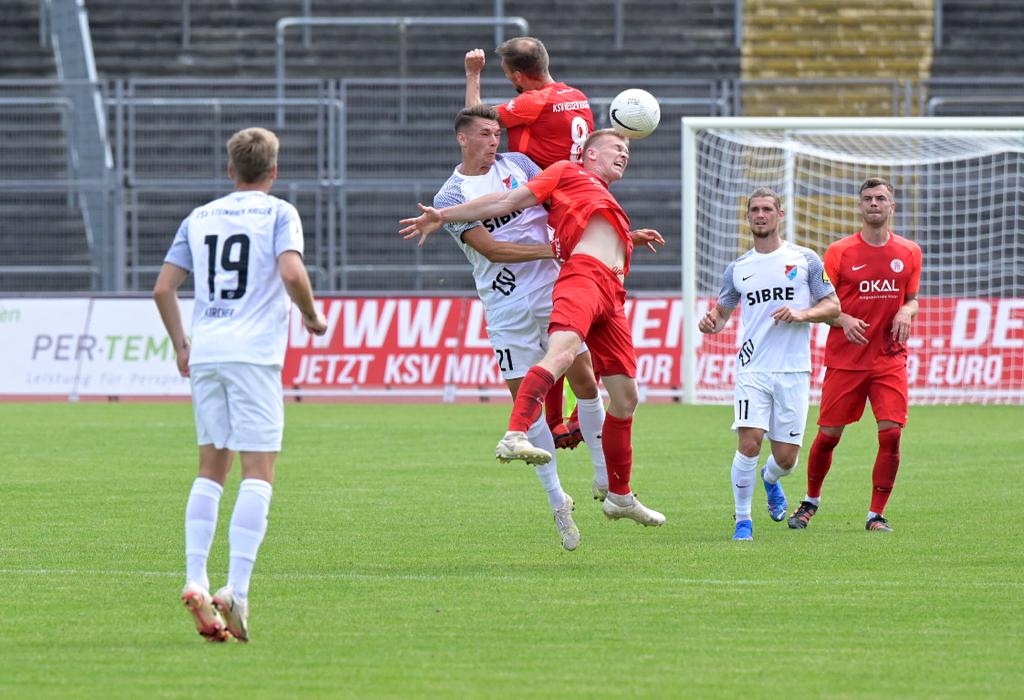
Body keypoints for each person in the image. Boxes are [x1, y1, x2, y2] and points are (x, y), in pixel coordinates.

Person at [401, 128, 667, 527]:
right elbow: (504, 205)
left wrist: (626, 238)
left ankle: (617, 493)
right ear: (589, 154)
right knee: (561, 357)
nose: (624, 153)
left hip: (605, 290)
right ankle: (524, 447)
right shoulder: (562, 172)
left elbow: (579, 231)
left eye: (627, 149)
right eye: (616, 146)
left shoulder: (582, 188)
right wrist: (444, 215)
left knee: (624, 397)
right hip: (549, 288)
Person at [153, 127, 328, 642]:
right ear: (273, 171)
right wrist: (311, 316)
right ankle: (236, 590)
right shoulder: (279, 213)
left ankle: (195, 576)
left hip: (208, 351)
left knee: (211, 469)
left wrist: (181, 345)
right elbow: (292, 273)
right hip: (253, 355)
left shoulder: (200, 216)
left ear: (231, 169)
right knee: (259, 471)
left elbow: (163, 288)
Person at [416, 105, 613, 549]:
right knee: (529, 402)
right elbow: (492, 250)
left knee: (584, 380)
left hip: (553, 291)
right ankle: (557, 500)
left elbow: (555, 201)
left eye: (496, 133)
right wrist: (554, 250)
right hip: (505, 306)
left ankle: (604, 475)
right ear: (463, 139)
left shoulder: (520, 165)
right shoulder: (448, 197)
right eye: (485, 134)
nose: (494, 141)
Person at [465, 36, 595, 447]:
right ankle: (563, 420)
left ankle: (570, 417)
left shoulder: (532, 102)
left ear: (518, 76)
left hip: (550, 213)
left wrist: (473, 76)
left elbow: (476, 122)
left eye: (509, 76)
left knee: (561, 330)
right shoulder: (577, 97)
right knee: (563, 325)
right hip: (582, 204)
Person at [698, 188, 839, 541]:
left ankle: (770, 478)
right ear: (748, 217)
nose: (760, 215)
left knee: (786, 459)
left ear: (779, 215)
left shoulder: (806, 260)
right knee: (749, 443)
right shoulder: (738, 269)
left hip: (794, 369)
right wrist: (711, 322)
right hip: (753, 368)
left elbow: (833, 306)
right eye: (755, 210)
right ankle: (742, 521)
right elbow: (722, 314)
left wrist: (802, 313)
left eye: (767, 209)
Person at [789, 177, 922, 533]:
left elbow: (912, 299)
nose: (874, 203)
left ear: (892, 206)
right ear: (859, 206)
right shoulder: (839, 252)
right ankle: (810, 501)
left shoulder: (909, 252)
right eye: (868, 199)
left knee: (891, 434)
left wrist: (906, 310)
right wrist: (843, 318)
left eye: (880, 198)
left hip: (888, 359)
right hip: (845, 361)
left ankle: (876, 514)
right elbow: (820, 305)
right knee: (828, 436)